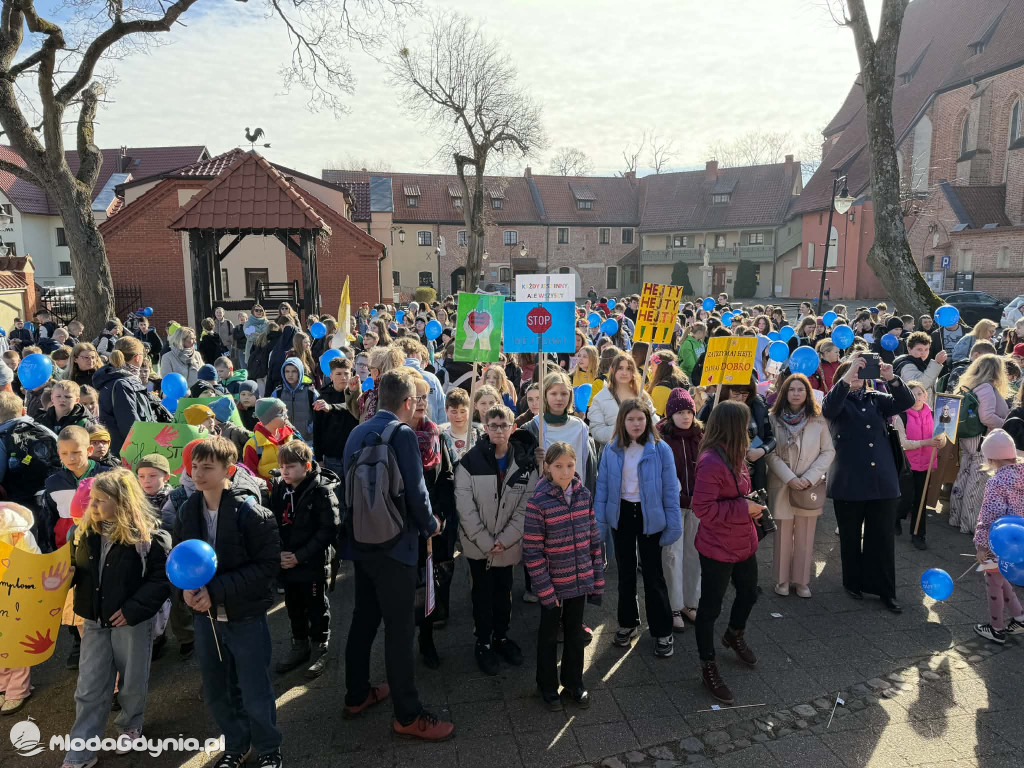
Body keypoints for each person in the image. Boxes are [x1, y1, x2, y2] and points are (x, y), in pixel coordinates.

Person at [341, 368, 454, 741]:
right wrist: (432, 525)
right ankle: (408, 714)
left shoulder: (357, 432)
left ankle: (357, 694)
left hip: (361, 543)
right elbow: (417, 492)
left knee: (363, 619)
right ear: (407, 403)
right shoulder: (402, 434)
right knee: (400, 629)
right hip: (397, 546)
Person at [176, 437, 282, 768]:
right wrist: (183, 589)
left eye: (207, 467)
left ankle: (268, 747)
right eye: (195, 466)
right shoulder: (187, 509)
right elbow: (180, 558)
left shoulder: (251, 513)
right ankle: (237, 744)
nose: (198, 474)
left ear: (229, 471)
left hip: (245, 616)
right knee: (218, 689)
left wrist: (217, 590)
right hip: (206, 619)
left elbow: (267, 567)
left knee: (254, 688)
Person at [63, 469, 171, 768]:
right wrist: (67, 576)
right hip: (96, 621)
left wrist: (134, 609)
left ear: (122, 502)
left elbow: (161, 580)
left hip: (131, 622)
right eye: (91, 500)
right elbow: (76, 567)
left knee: (132, 680)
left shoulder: (148, 537)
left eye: (100, 501)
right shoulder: (83, 533)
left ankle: (130, 724)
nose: (93, 506)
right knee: (89, 686)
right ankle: (81, 751)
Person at [823, 354, 914, 612]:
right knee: (850, 536)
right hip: (850, 480)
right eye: (852, 373)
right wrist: (846, 376)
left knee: (882, 538)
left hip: (881, 480)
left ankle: (885, 589)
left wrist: (891, 377)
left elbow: (906, 401)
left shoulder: (877, 399)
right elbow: (828, 409)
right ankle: (853, 582)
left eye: (859, 374)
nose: (856, 378)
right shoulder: (838, 399)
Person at [454, 403, 538, 675]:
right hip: (479, 546)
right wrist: (486, 541)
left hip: (508, 545)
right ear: (485, 428)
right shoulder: (469, 462)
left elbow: (527, 506)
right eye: (493, 425)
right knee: (481, 592)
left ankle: (501, 636)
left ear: (513, 428)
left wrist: (506, 538)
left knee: (504, 591)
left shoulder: (525, 464)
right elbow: (464, 506)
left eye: (504, 426)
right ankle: (483, 641)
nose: (499, 430)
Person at [690, 399, 764, 704]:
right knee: (709, 609)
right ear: (734, 428)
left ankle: (734, 633)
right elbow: (702, 508)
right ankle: (708, 666)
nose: (749, 430)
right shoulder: (711, 460)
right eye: (745, 425)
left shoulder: (735, 454)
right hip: (718, 546)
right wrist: (743, 507)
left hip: (743, 541)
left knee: (750, 591)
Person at [594, 399, 681, 657]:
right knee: (626, 573)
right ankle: (627, 622)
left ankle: (662, 630)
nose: (635, 424)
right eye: (630, 419)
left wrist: (673, 523)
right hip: (622, 514)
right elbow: (602, 488)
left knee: (654, 575)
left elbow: (669, 490)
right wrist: (600, 522)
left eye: (640, 419)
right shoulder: (611, 449)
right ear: (622, 421)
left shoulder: (660, 449)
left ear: (648, 421)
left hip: (649, 517)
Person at [523, 442, 603, 711]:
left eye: (570, 465)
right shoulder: (538, 502)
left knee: (574, 633)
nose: (565, 471)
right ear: (547, 467)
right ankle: (546, 685)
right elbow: (532, 551)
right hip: (553, 586)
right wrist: (544, 589)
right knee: (547, 637)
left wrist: (596, 573)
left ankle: (573, 682)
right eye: (558, 466)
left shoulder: (584, 495)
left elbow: (593, 536)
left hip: (578, 582)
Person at [269, 440, 340, 679]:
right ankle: (299, 644)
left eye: (290, 466)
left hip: (311, 562)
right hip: (287, 561)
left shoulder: (321, 490)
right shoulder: (280, 487)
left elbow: (328, 529)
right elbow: (273, 522)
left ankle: (320, 644)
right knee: (293, 605)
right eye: (282, 466)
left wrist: (300, 556)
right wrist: (280, 553)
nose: (284, 471)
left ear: (306, 466)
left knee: (316, 605)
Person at [766, 373, 835, 598]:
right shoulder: (773, 418)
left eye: (801, 390)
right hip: (782, 482)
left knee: (806, 534)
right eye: (792, 389)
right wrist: (790, 478)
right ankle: (782, 580)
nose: (796, 394)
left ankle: (802, 580)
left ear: (808, 393)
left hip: (809, 485)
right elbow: (770, 453)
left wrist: (810, 477)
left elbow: (828, 451)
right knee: (783, 533)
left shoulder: (818, 419)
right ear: (784, 393)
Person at [657, 388, 703, 630]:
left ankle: (690, 602)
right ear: (670, 414)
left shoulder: (701, 436)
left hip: (697, 505)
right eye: (680, 412)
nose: (685, 417)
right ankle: (673, 606)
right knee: (672, 556)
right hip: (673, 506)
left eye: (689, 411)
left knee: (694, 554)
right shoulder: (662, 439)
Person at [972, 429, 1024, 644]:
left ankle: (996, 628)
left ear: (991, 458)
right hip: (1019, 541)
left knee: (992, 581)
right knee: (1002, 577)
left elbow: (989, 515)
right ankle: (1020, 618)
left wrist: (981, 545)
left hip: (999, 541)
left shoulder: (997, 482)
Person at [950, 354, 1010, 534]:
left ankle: (955, 517)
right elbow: (987, 417)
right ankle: (969, 523)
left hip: (968, 436)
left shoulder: (970, 384)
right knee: (977, 481)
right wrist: (1006, 423)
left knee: (965, 474)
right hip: (980, 438)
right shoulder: (986, 387)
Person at [42, 424, 113, 555]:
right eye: (64, 453)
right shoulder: (53, 483)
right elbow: (50, 518)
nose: (71, 458)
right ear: (58, 453)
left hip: (101, 544)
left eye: (76, 452)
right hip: (65, 546)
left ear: (89, 450)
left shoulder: (107, 476)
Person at [697, 377, 775, 495]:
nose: (739, 398)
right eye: (736, 393)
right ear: (726, 390)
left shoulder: (757, 406)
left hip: (753, 474)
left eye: (744, 394)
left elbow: (770, 438)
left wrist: (760, 451)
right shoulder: (712, 405)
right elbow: (698, 435)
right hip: (722, 473)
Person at [0, 501, 39, 715]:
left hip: (13, 590)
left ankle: (18, 689)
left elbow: (30, 556)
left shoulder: (13, 526)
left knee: (15, 640)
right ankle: (3, 684)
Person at [893, 381, 942, 549]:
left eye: (919, 394)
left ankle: (918, 535)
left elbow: (941, 439)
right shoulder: (901, 416)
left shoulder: (935, 415)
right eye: (912, 395)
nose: (916, 398)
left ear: (925, 395)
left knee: (921, 500)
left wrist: (939, 442)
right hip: (907, 464)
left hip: (926, 464)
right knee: (906, 498)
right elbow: (903, 443)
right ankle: (896, 518)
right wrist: (926, 442)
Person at [93, 337, 156, 458]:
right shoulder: (122, 384)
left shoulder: (113, 378)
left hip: (120, 450)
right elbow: (130, 425)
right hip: (128, 453)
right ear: (137, 357)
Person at [589, 352, 654, 450]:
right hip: (613, 455)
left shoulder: (641, 395)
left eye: (628, 369)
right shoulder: (600, 398)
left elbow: (654, 421)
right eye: (620, 368)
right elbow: (597, 431)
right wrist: (623, 429)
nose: (624, 372)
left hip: (641, 453)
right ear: (612, 370)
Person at [312, 356, 360, 477]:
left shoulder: (356, 394)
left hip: (355, 454)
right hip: (332, 457)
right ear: (331, 376)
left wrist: (331, 407)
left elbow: (350, 407)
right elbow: (317, 430)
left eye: (346, 373)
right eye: (338, 374)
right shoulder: (323, 397)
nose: (343, 377)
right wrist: (319, 459)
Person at [242, 397, 296, 484]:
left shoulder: (290, 435)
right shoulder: (252, 445)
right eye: (283, 414)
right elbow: (251, 474)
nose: (287, 417)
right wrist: (272, 486)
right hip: (270, 494)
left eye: (286, 413)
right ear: (269, 418)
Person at [271, 356, 319, 443]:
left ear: (300, 372)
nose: (290, 375)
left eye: (294, 371)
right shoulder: (278, 392)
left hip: (307, 440)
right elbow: (272, 415)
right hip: (284, 439)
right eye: (287, 371)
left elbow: (319, 415)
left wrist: (310, 429)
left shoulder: (310, 392)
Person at [892, 331, 946, 397]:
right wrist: (937, 363)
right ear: (909, 349)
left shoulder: (921, 363)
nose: (923, 353)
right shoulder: (906, 366)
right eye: (919, 350)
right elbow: (920, 386)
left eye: (926, 349)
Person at [439, 387, 481, 459]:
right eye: (454, 412)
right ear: (446, 411)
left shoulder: (479, 436)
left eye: (463, 411)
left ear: (470, 409)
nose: (458, 416)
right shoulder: (441, 439)